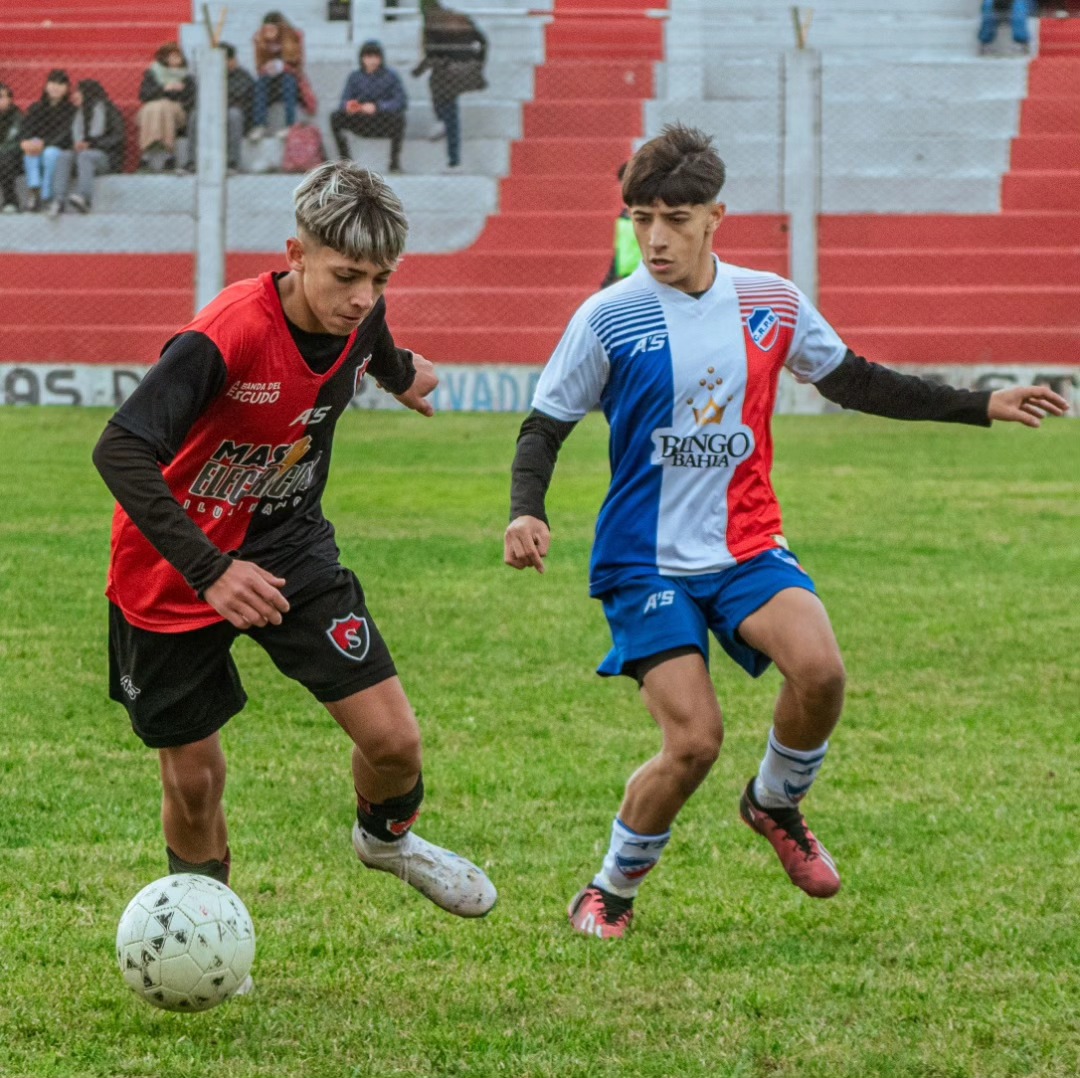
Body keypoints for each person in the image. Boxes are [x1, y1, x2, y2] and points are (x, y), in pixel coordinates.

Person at [503, 123, 1068, 940]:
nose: (655, 238)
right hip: (643, 558)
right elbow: (543, 426)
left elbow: (856, 380)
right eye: (640, 218)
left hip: (746, 545)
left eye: (675, 218)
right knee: (694, 742)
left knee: (823, 673)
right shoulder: (609, 317)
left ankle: (774, 803)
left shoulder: (771, 303)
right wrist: (527, 509)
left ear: (716, 216)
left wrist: (978, 404)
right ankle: (609, 890)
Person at [92, 161, 498, 940]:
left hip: (288, 540)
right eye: (346, 275)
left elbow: (371, 340)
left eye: (379, 279)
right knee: (197, 782)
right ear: (296, 253)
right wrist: (209, 570)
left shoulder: (358, 314)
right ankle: (203, 941)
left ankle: (385, 841)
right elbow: (120, 451)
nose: (362, 298)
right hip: (173, 568)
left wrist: (402, 372)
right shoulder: (226, 336)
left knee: (395, 742)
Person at [412, 0, 487, 171]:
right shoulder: (458, 18)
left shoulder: (432, 25)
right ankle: (453, 155)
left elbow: (432, 54)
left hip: (447, 72)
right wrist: (479, 62)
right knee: (450, 110)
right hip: (467, 68)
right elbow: (482, 41)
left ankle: (453, 157)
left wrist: (418, 70)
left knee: (449, 110)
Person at [330, 40, 408, 174]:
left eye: (375, 57)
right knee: (335, 117)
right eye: (368, 57)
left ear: (381, 59)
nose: (372, 61)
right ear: (362, 59)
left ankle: (394, 163)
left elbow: (401, 101)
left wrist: (378, 107)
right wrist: (350, 106)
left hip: (382, 120)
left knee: (400, 119)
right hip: (360, 120)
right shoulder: (354, 77)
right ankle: (347, 162)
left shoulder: (391, 76)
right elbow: (344, 101)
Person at [55, 79, 126, 214]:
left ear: (87, 93)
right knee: (64, 156)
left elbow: (118, 137)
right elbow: (65, 138)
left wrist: (93, 144)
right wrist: (74, 146)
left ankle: (84, 198)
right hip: (81, 156)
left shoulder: (109, 110)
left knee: (85, 155)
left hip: (106, 158)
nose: (74, 95)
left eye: (78, 92)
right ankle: (58, 201)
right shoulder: (77, 114)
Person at [19, 69, 76, 216]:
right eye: (52, 82)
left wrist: (44, 144)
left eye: (60, 84)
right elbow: (26, 129)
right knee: (30, 149)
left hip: (59, 147)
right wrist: (25, 142)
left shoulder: (71, 110)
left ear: (67, 88)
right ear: (46, 85)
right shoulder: (36, 108)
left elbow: (67, 135)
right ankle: (34, 190)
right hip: (37, 146)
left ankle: (46, 195)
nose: (55, 87)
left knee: (50, 153)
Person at [137, 42, 196, 171]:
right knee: (156, 107)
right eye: (172, 56)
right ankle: (166, 155)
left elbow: (191, 100)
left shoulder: (187, 78)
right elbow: (144, 95)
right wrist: (165, 88)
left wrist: (179, 92)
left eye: (178, 56)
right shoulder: (152, 74)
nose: (176, 59)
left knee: (163, 107)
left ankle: (148, 155)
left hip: (177, 111)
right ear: (164, 58)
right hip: (154, 109)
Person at [249, 11, 304, 140]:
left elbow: (297, 64)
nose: (269, 32)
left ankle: (290, 125)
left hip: (289, 75)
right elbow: (259, 65)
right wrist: (267, 68)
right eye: (266, 28)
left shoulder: (292, 37)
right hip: (269, 78)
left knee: (288, 82)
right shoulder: (260, 39)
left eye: (272, 28)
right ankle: (259, 125)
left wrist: (282, 66)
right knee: (260, 83)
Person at [600, 163, 641, 288]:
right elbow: (620, 251)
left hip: (648, 276)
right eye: (622, 184)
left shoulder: (654, 215)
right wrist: (609, 281)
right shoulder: (623, 217)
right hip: (627, 277)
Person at [223, 42, 256, 171]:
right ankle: (192, 162)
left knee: (234, 114)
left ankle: (232, 162)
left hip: (241, 116)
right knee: (195, 115)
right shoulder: (211, 76)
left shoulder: (243, 76)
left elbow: (240, 98)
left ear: (233, 60)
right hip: (218, 112)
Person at [0, 83, 23, 214]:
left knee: (5, 158)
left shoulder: (16, 116)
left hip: (15, 158)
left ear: (10, 99)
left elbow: (13, 141)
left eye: (1, 97)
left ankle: (10, 201)